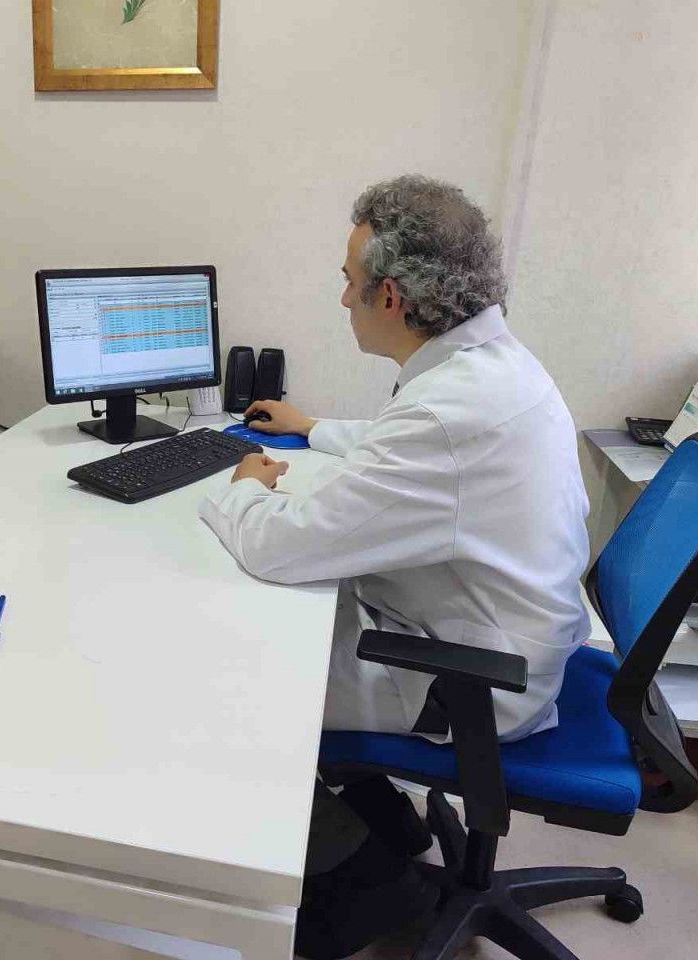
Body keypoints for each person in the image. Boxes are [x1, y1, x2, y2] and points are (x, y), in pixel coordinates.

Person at [199, 175, 590, 958]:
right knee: (291, 625)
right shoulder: (489, 368)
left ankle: (362, 890)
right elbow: (410, 450)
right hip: (500, 642)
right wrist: (314, 429)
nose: (341, 295)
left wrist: (240, 489)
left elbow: (281, 545)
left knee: (231, 680)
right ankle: (389, 831)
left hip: (471, 682)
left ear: (390, 297)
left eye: (349, 279)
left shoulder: (448, 412)